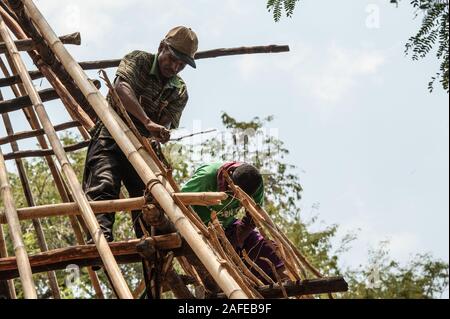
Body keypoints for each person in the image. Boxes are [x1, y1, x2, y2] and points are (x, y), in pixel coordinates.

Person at [83, 26, 198, 243]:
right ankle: (100, 242)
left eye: (181, 64)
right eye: (172, 59)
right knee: (104, 185)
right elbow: (121, 88)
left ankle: (149, 248)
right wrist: (147, 121)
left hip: (143, 150)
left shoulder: (180, 90)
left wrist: (160, 133)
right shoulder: (138, 60)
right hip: (111, 137)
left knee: (150, 201)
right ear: (162, 47)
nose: (175, 67)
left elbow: (166, 122)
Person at [181, 162, 286, 283]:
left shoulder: (255, 183)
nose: (236, 197)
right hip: (200, 230)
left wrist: (236, 239)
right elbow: (179, 201)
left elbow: (253, 216)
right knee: (218, 273)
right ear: (229, 175)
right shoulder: (206, 177)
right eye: (234, 192)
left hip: (229, 228)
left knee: (268, 250)